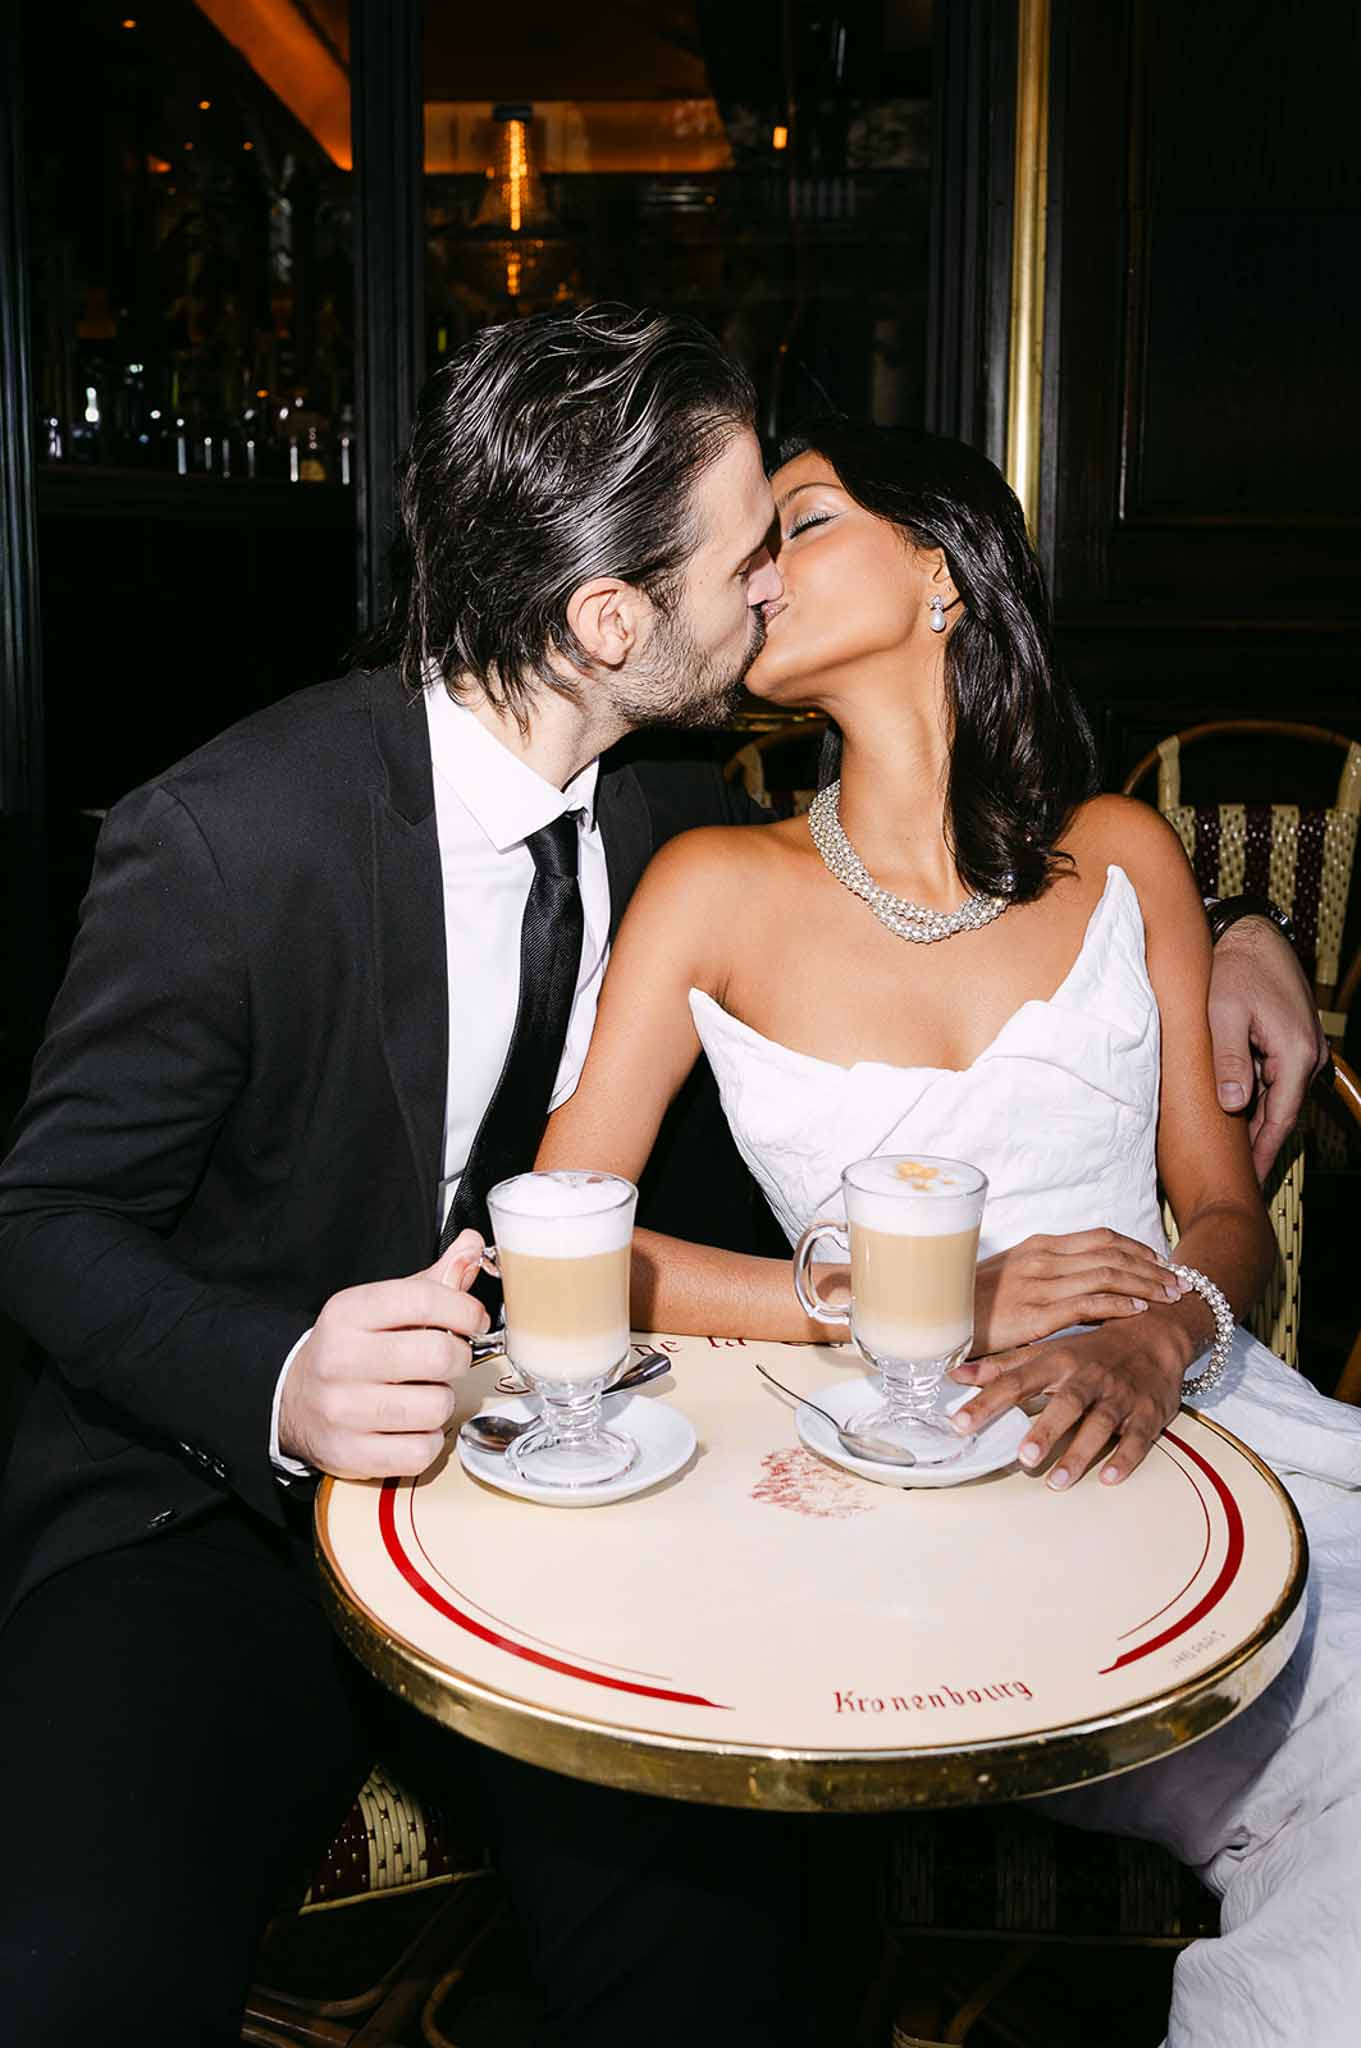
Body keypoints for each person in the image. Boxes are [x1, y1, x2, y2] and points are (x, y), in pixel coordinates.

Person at [0, 314, 1318, 2045]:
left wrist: (1238, 933)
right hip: (222, 1511)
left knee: (728, 1962)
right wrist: (278, 1378)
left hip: (610, 1494)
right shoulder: (237, 836)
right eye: (743, 550)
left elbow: (988, 833)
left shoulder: (667, 812)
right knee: (78, 1973)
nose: (769, 583)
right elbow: (41, 1220)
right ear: (610, 622)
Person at [536, 417, 1361, 2047]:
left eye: (803, 521)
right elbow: (571, 1244)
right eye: (747, 545)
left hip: (1200, 1419)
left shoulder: (1120, 857)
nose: (754, 570)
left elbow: (1219, 1209)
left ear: (940, 575)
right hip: (913, 1472)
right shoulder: (710, 882)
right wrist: (911, 1300)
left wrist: (1162, 1331)